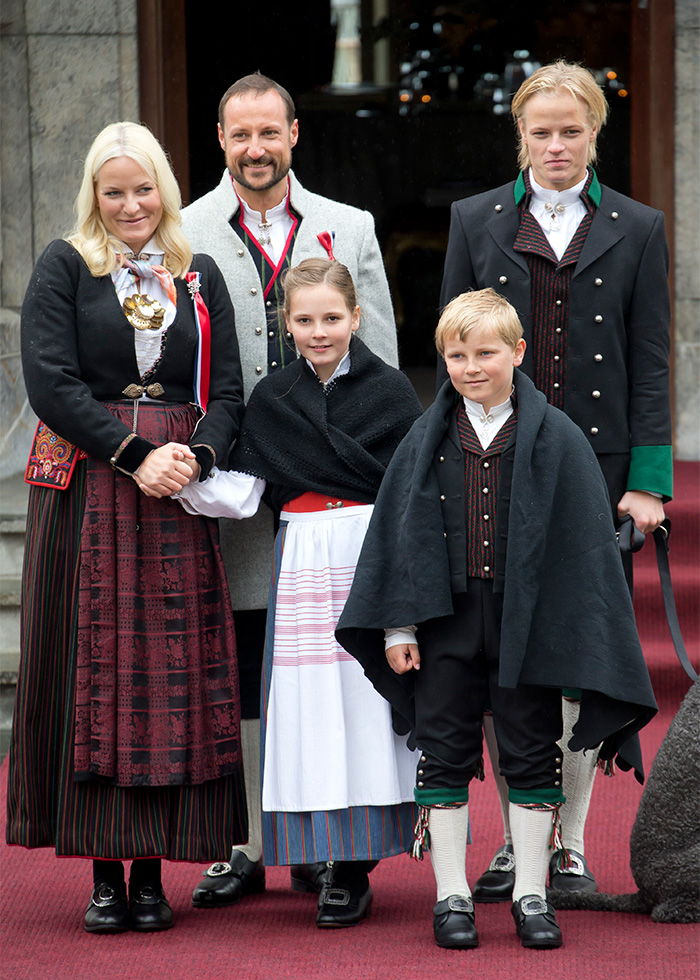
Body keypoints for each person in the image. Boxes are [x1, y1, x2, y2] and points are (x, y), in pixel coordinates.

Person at [336, 288, 657, 949]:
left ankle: (531, 894)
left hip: (527, 628)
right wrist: (397, 628)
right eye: (457, 356)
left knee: (532, 753)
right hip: (443, 624)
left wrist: (573, 639)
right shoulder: (425, 440)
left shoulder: (558, 437)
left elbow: (581, 551)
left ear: (518, 352)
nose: (471, 367)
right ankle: (451, 896)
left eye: (485, 353)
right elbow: (398, 536)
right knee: (444, 753)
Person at [437, 60, 672, 900]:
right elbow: (451, 349)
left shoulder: (639, 226)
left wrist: (648, 482)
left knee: (577, 650)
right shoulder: (475, 219)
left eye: (572, 130)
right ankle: (514, 841)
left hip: (598, 471)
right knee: (501, 651)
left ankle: (567, 844)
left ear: (595, 133)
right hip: (494, 459)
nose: (557, 145)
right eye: (542, 131)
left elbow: (651, 360)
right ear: (521, 135)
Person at [6, 122, 247, 934]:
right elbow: (51, 382)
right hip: (91, 484)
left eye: (143, 188)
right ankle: (106, 875)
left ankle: (153, 874)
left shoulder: (199, 272)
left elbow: (229, 392)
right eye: (114, 191)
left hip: (176, 490)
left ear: (164, 190)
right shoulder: (66, 264)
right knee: (96, 668)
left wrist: (197, 457)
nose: (131, 204)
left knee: (167, 676)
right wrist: (134, 453)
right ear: (94, 195)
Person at [180, 72, 400, 908]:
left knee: (337, 671)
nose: (255, 148)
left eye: (269, 132)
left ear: (294, 134)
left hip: (336, 501)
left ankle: (328, 844)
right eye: (240, 134)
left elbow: (380, 362)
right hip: (241, 483)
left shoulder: (352, 226)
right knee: (249, 666)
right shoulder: (185, 229)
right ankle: (248, 842)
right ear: (221, 138)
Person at [176, 258, 422, 927]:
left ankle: (354, 867)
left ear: (356, 317)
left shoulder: (392, 391)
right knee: (309, 706)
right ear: (286, 323)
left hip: (367, 553)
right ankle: (317, 852)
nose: (320, 331)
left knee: (365, 704)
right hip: (303, 556)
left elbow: (411, 495)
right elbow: (246, 490)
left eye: (332, 318)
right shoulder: (273, 398)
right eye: (306, 319)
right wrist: (181, 474)